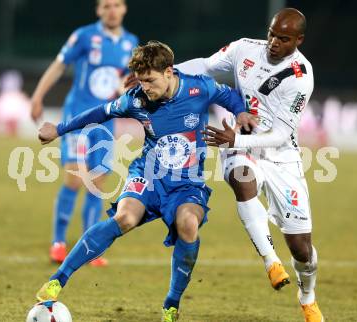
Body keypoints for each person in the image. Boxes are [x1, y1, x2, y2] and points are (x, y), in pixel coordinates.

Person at [35, 41, 255, 322]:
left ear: (168, 72)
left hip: (187, 183)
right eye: (141, 81)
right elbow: (100, 112)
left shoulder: (199, 88)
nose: (145, 87)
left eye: (150, 80)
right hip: (148, 175)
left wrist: (241, 112)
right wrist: (59, 129)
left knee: (188, 224)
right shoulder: (135, 99)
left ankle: (171, 303)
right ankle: (58, 279)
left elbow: (230, 96)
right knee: (125, 217)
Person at [176, 8, 323, 322]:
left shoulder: (300, 75)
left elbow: (282, 133)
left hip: (279, 155)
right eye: (272, 34)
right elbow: (205, 66)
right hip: (238, 139)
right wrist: (166, 71)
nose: (273, 43)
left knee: (302, 250)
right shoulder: (244, 48)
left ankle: (307, 295)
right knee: (243, 180)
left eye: (283, 39)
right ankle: (271, 261)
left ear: (298, 40)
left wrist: (236, 141)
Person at [30, 0, 138, 266]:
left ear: (124, 8)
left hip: (105, 120)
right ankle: (58, 243)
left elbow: (126, 80)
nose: (111, 10)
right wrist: (37, 96)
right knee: (75, 179)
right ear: (98, 10)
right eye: (105, 6)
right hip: (76, 117)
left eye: (116, 5)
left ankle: (89, 248)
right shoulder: (84, 36)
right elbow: (58, 65)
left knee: (98, 182)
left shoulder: (131, 42)